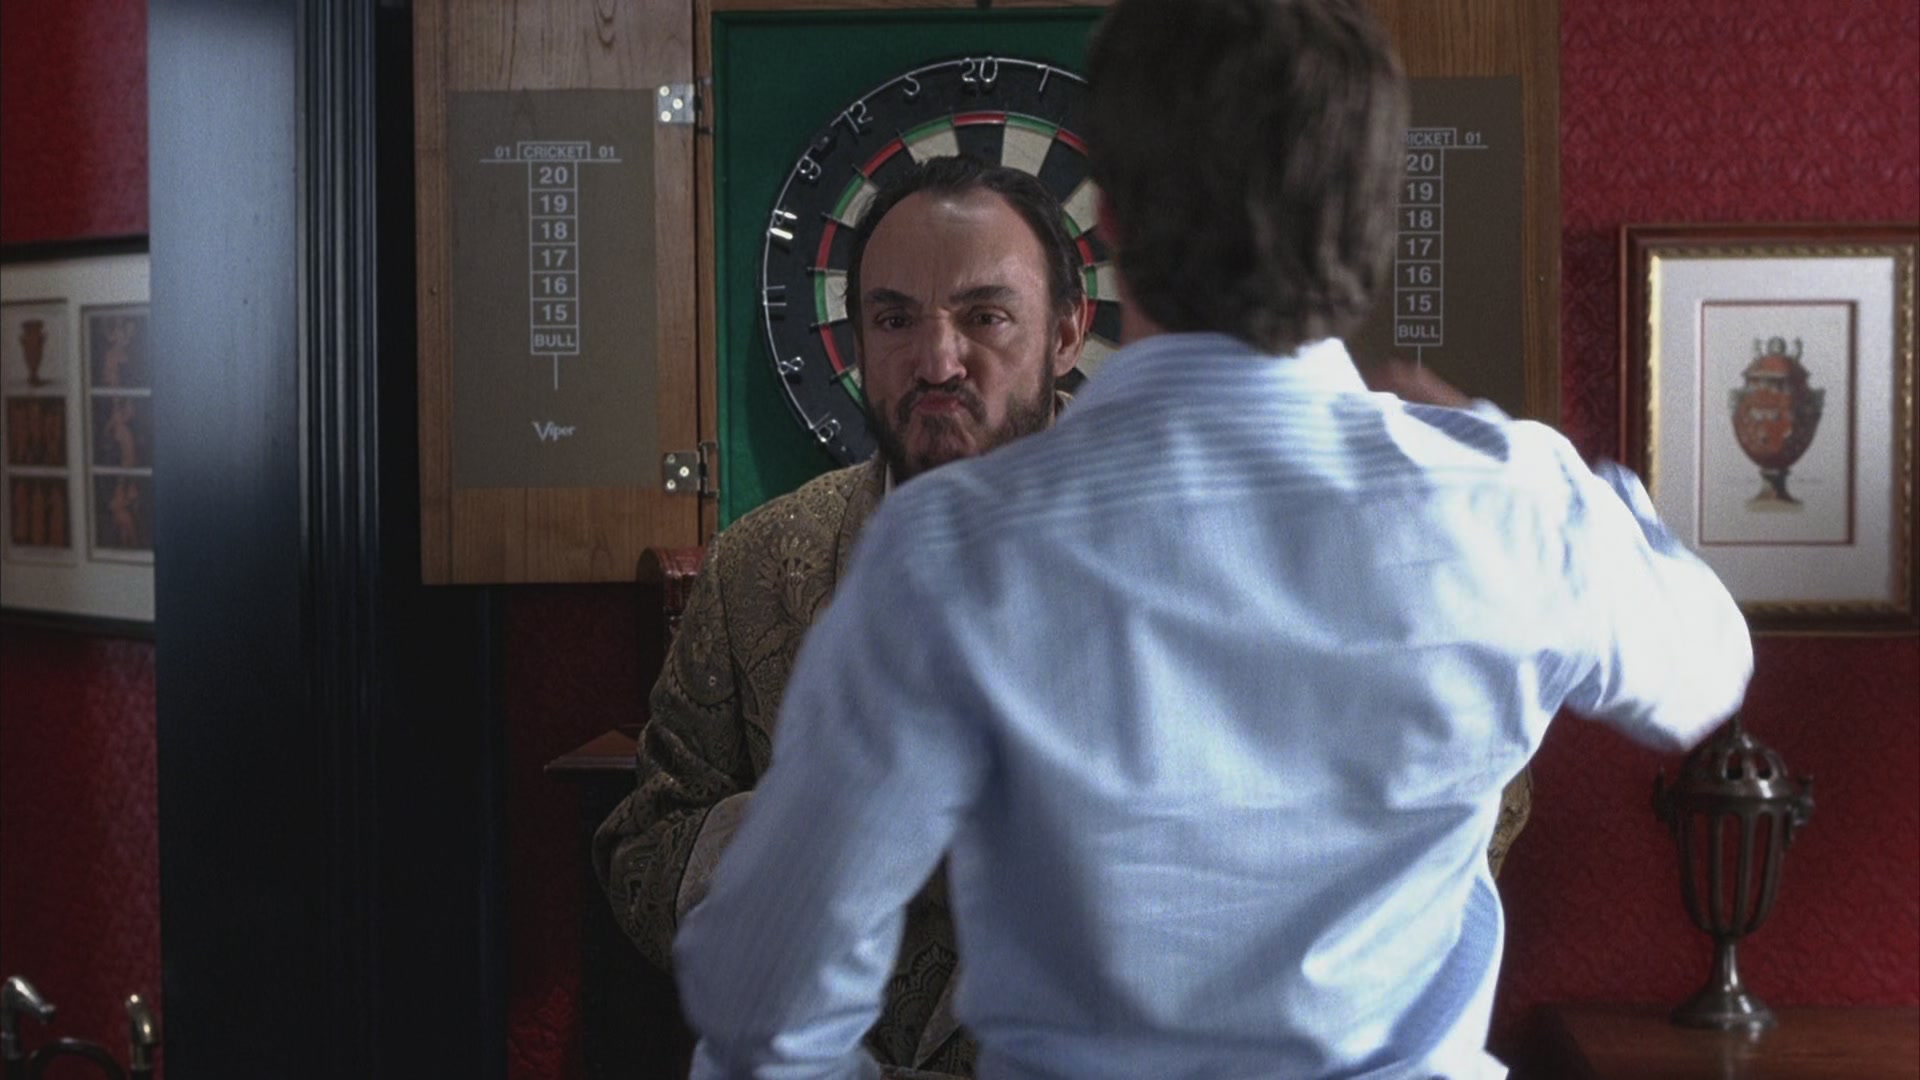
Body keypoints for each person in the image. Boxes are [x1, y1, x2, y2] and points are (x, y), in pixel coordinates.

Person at [671, 1, 1755, 1078]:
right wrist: (1519, 468)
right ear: (1375, 219)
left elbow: (763, 1004)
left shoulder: (949, 552)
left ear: (1112, 216)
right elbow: (1705, 669)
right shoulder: (1514, 510)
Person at [592, 154, 1091, 1075]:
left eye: (984, 317)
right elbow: (644, 850)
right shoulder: (757, 569)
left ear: (1066, 332)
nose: (937, 361)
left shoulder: (1173, 566)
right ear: (857, 340)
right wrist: (826, 832)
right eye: (895, 319)